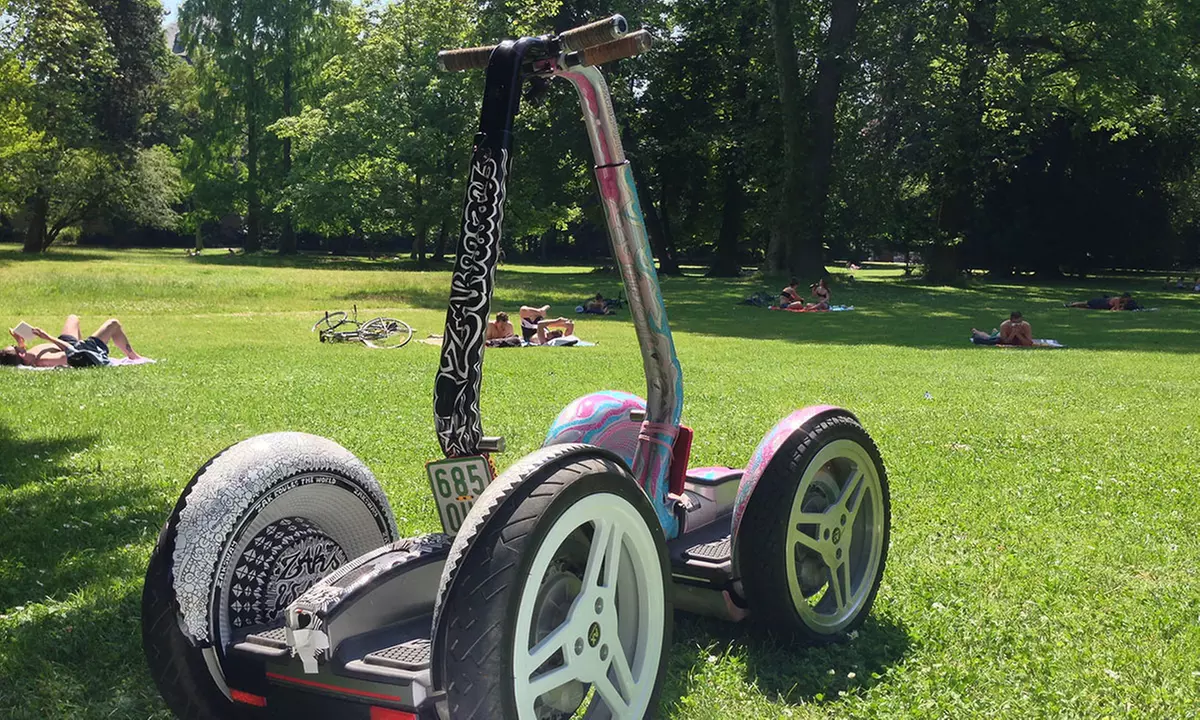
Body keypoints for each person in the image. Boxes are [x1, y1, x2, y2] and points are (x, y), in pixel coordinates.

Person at [2, 315, 143, 368]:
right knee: (113, 323)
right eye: (16, 347)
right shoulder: (44, 360)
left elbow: (23, 355)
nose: (19, 346)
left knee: (73, 318)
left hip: (61, 343)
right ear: (20, 355)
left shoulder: (26, 355)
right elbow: (72, 353)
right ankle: (134, 357)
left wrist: (20, 342)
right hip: (79, 348)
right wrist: (47, 337)